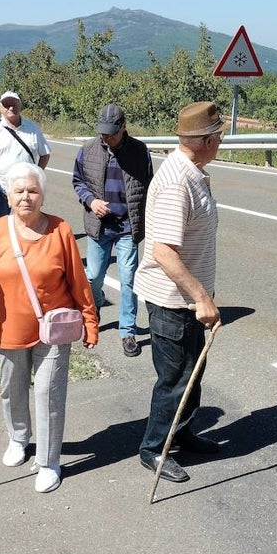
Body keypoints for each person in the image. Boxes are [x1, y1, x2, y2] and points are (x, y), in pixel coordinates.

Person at [0, 162, 99, 494]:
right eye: (19, 191)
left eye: (33, 191)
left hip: (53, 330)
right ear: (8, 196)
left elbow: (79, 282)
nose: (26, 197)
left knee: (48, 393)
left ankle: (50, 462)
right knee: (13, 388)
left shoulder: (60, 230)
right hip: (8, 327)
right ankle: (18, 438)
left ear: (43, 196)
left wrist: (90, 321)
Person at [135, 101, 224, 484]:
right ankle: (154, 449)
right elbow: (163, 252)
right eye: (218, 135)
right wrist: (200, 297)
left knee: (192, 372)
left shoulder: (193, 171)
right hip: (173, 301)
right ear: (204, 140)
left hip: (186, 300)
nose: (221, 141)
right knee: (175, 379)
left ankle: (182, 432)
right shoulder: (177, 181)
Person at [71, 104, 154, 358]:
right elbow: (77, 181)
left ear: (123, 126)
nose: (105, 137)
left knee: (129, 279)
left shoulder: (139, 151)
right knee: (94, 275)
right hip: (99, 227)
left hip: (129, 226)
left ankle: (127, 331)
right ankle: (94, 306)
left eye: (111, 133)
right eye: (102, 132)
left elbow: (150, 185)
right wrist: (91, 201)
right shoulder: (88, 149)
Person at [0, 90, 51, 224]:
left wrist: (36, 174)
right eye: (6, 104)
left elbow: (45, 154)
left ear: (21, 106)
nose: (11, 107)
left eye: (14, 104)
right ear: (1, 108)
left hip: (26, 189)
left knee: (27, 224)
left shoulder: (33, 128)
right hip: (0, 188)